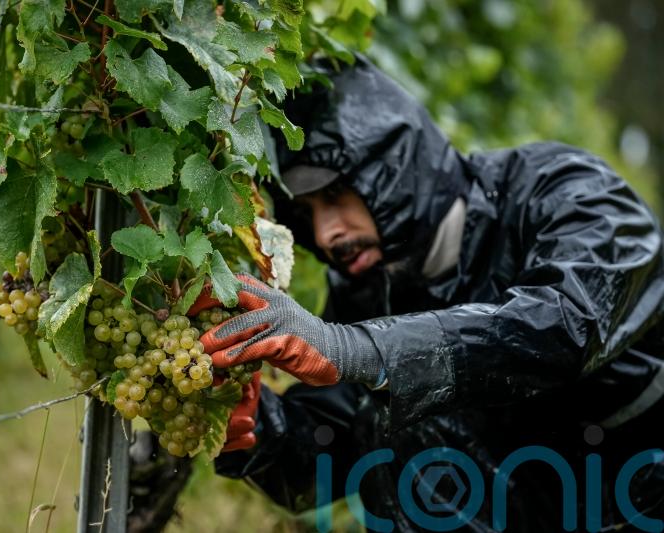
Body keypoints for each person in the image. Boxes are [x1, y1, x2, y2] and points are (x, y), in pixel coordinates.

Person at [191, 57, 664, 532]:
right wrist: (258, 427)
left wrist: (355, 348)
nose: (327, 233)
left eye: (335, 196)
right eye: (305, 212)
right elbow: (337, 444)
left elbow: (564, 326)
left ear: (391, 165)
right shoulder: (372, 286)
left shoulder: (567, 192)